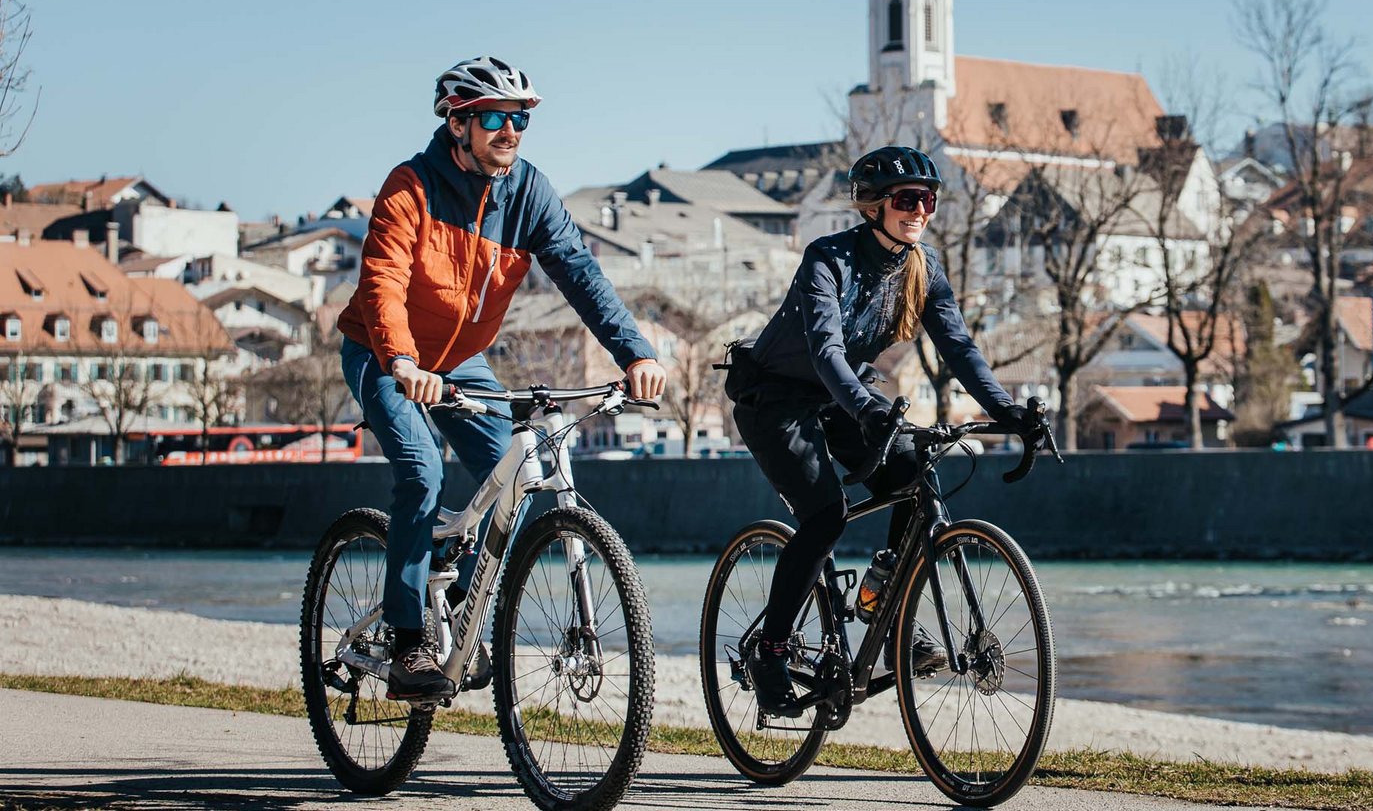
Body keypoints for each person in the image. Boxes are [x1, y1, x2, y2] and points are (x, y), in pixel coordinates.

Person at [337, 56, 669, 700]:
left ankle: (460, 613)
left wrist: (635, 353)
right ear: (458, 122)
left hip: (462, 359)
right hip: (384, 352)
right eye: (496, 118)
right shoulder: (410, 187)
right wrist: (402, 361)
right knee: (420, 471)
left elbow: (580, 273)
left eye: (520, 119)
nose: (511, 131)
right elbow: (382, 283)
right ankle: (408, 642)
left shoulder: (529, 193)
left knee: (516, 471)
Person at [722, 145, 1050, 716]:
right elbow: (825, 351)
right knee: (823, 516)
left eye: (929, 199)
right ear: (873, 205)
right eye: (907, 199)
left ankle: (882, 596)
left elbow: (960, 350)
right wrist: (867, 409)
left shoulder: (923, 266)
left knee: (913, 471)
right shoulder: (828, 258)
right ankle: (771, 652)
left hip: (848, 395)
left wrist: (1007, 412)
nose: (920, 210)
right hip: (776, 398)